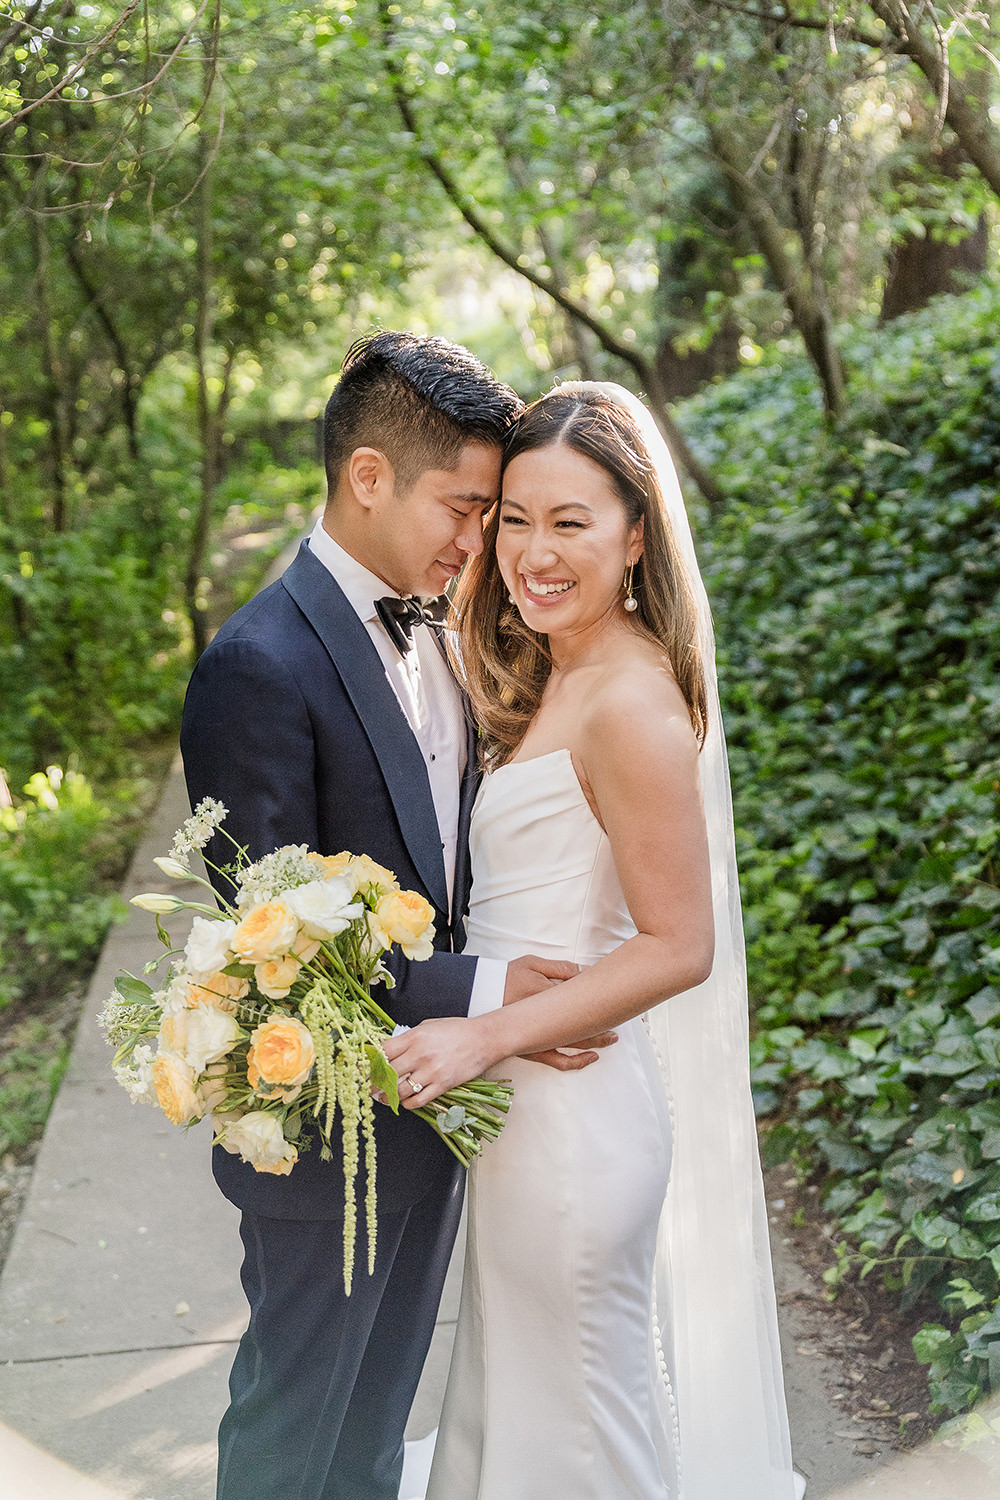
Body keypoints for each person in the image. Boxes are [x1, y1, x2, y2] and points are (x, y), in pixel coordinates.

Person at [180, 332, 613, 1500]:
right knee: (294, 1430)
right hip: (327, 1137)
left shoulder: (448, 626)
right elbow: (276, 950)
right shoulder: (256, 666)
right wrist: (486, 995)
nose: (479, 543)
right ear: (369, 477)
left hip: (434, 1115)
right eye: (464, 508)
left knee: (374, 1437)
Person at [384, 383, 800, 1499]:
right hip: (528, 1118)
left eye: (571, 522)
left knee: (578, 1434)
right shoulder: (559, 667)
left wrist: (482, 1037)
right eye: (514, 519)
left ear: (634, 537)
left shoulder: (630, 701)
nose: (532, 550)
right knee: (523, 1415)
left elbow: (677, 946)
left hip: (573, 1119)